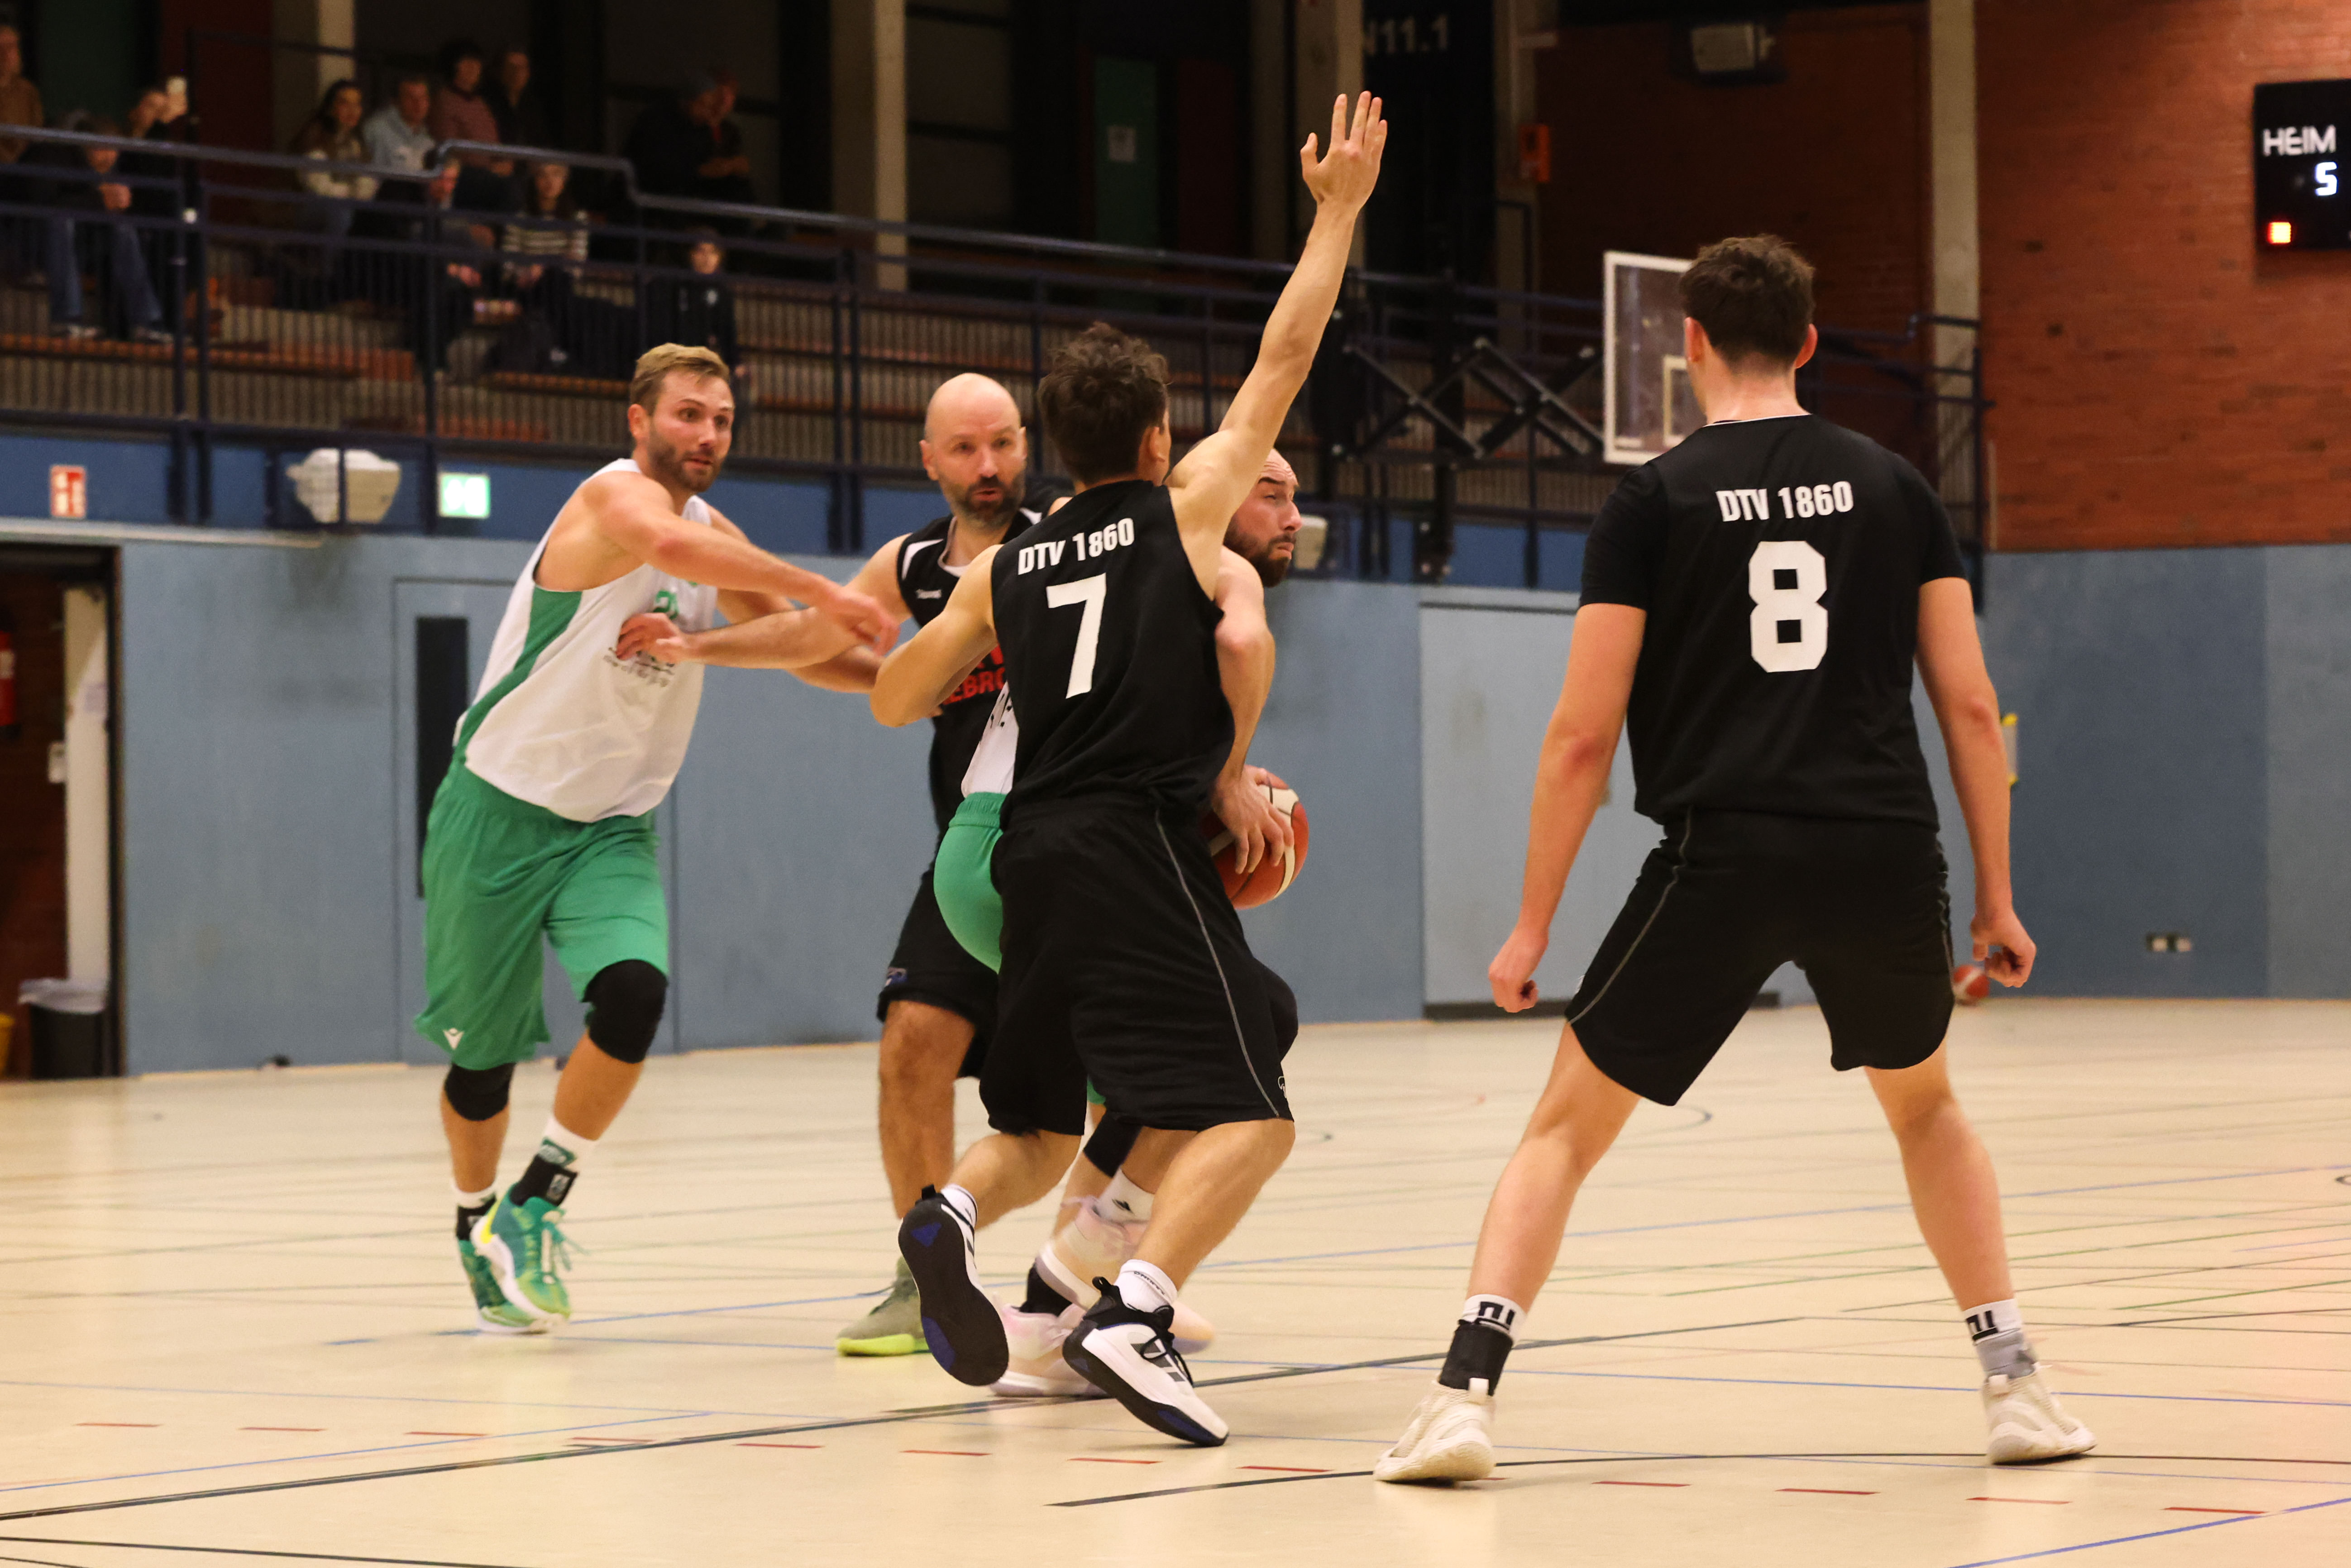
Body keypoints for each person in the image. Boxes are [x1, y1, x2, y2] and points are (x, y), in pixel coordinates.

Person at [1373, 235, 2097, 1484]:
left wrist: (1532, 923)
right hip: (1881, 848)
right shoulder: (1897, 487)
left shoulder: (1651, 501)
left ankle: (1460, 1398)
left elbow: (1581, 734)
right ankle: (2016, 1383)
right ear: (1808, 343)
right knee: (1926, 1110)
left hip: (1721, 852)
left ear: (1690, 344)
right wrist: (1997, 896)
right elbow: (1971, 709)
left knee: (1562, 1131)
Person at [863, 92, 1385, 1447]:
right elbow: (1284, 354)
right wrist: (1336, 211)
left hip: (1024, 855)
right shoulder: (1184, 510)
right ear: (1157, 441)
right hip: (1133, 846)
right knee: (1253, 1113)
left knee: (1040, 1124)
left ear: (1057, 449)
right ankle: (1133, 1313)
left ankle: (952, 1216)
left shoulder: (1006, 564)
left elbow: (892, 695)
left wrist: (958, 641)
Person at [420, 343, 897, 1333]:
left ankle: (536, 1200)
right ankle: (473, 1224)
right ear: (638, 420)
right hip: (497, 810)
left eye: (721, 419)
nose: (707, 434)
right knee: (483, 1061)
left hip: (610, 827)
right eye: (688, 414)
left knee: (634, 992)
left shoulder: (714, 532)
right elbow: (673, 552)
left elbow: (799, 644)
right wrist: (823, 586)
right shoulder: (613, 499)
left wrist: (908, 685)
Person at [43, 118, 166, 344]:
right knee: (63, 221)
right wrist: (100, 200)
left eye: (114, 149)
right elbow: (50, 204)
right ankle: (67, 320)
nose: (109, 156)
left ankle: (146, 323)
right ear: (85, 148)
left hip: (92, 250)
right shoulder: (62, 163)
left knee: (124, 229)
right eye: (101, 148)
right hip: (48, 246)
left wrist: (122, 206)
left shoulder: (114, 174)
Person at [497, 160, 589, 369]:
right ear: (535, 181)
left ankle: (552, 348)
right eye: (543, 176)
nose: (550, 182)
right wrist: (527, 272)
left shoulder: (577, 218)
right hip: (526, 285)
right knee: (556, 288)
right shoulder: (521, 218)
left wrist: (544, 268)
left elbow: (576, 262)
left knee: (557, 280)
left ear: (564, 181)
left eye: (556, 175)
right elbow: (509, 262)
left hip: (558, 283)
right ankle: (562, 349)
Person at [428, 39, 512, 211]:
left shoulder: (480, 103)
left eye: (477, 63)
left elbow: (493, 140)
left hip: (488, 172)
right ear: (454, 66)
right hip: (463, 174)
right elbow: (449, 146)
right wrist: (489, 168)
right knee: (506, 191)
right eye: (466, 63)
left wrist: (503, 162)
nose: (473, 68)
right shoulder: (445, 101)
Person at [641, 229, 738, 376]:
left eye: (713, 253)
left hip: (702, 362)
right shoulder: (676, 285)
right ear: (691, 254)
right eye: (701, 251)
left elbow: (727, 330)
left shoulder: (723, 292)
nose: (707, 258)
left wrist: (735, 363)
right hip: (674, 358)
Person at [289, 79, 377, 239]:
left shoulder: (356, 142)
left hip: (348, 205)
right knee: (340, 212)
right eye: (345, 104)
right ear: (331, 108)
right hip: (308, 209)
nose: (352, 111)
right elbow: (319, 188)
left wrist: (363, 190)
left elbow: (367, 179)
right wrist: (353, 192)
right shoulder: (315, 137)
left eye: (357, 104)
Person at [363, 73, 437, 177]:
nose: (418, 104)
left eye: (423, 98)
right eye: (411, 98)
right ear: (397, 101)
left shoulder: (428, 140)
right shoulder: (377, 128)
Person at [485, 46, 548, 150]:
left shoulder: (532, 107)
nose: (517, 73)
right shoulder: (488, 104)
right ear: (501, 70)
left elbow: (541, 142)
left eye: (522, 68)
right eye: (512, 67)